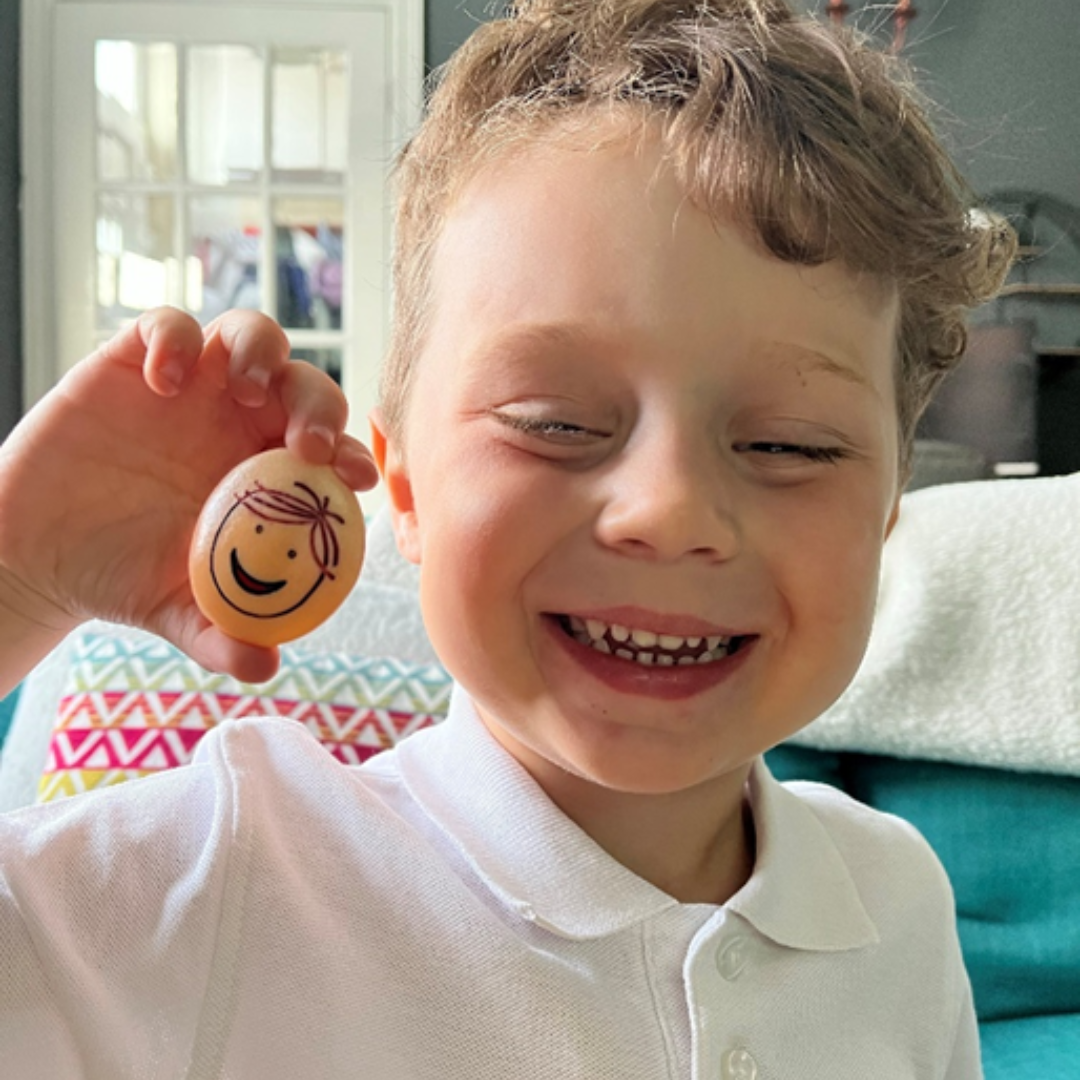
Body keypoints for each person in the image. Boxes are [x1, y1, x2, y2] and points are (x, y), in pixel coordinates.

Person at [0, 1, 1014, 1076]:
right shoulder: (220, 883)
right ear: (405, 490)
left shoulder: (895, 899)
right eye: (558, 426)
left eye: (790, 445)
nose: (666, 511)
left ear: (888, 505)